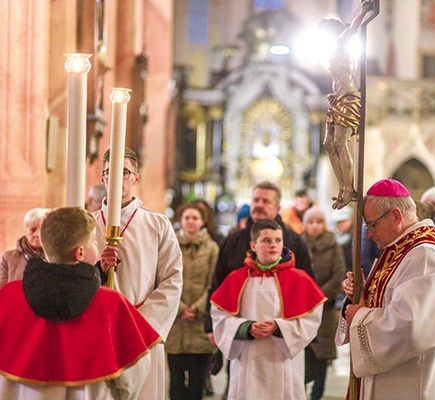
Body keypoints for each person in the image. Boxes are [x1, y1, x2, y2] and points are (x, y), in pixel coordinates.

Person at [0, 207, 160, 399]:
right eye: (93, 242)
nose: (96, 247)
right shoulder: (111, 304)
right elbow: (134, 373)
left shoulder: (8, 296)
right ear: (80, 252)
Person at [337, 178, 435, 399]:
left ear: (396, 216)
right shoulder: (399, 248)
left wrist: (359, 315)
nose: (368, 234)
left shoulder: (425, 255)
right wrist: (360, 294)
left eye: (371, 224)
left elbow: (410, 327)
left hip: (410, 383)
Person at [96, 147, 183, 400]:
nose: (116, 179)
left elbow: (172, 279)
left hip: (142, 329)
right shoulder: (88, 224)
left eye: (123, 172)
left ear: (136, 178)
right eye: (110, 172)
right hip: (99, 331)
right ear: (102, 178)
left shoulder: (157, 224)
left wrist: (141, 322)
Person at [210, 219, 326, 399]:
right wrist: (245, 328)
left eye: (278, 241)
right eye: (266, 241)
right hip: (248, 359)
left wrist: (279, 327)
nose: (273, 245)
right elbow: (219, 317)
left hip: (284, 360)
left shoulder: (299, 279)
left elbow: (311, 320)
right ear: (253, 245)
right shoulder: (236, 279)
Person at [205, 180, 313, 336]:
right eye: (256, 200)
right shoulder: (233, 241)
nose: (259, 205)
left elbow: (307, 287)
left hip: (283, 334)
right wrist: (211, 326)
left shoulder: (294, 242)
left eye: (266, 201)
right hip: (239, 331)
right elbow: (218, 282)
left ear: (278, 208)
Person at [319, 1, 374, 209]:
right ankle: (343, 186)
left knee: (340, 143)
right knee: (328, 144)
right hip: (338, 97)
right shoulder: (333, 48)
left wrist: (364, 10)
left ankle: (349, 189)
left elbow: (353, 28)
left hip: (349, 97)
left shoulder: (342, 41)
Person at [166, 203, 220, 400]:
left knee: (197, 382)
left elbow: (213, 283)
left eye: (195, 218)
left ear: (203, 222)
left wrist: (197, 308)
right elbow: (164, 279)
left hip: (200, 322)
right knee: (176, 381)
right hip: (175, 322)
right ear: (180, 220)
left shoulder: (212, 248)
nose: (190, 222)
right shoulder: (169, 245)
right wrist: (180, 308)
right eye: (187, 217)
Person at [300, 206, 346, 400]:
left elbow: (338, 274)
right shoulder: (299, 244)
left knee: (322, 356)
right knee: (302, 352)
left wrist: (319, 295)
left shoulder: (332, 244)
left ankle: (316, 395)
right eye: (311, 222)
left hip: (324, 308)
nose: (315, 226)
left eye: (318, 222)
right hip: (301, 308)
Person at [0, 207, 49, 287]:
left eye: (42, 230)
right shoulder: (8, 258)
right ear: (26, 231)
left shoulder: (56, 258)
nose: (37, 234)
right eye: (33, 230)